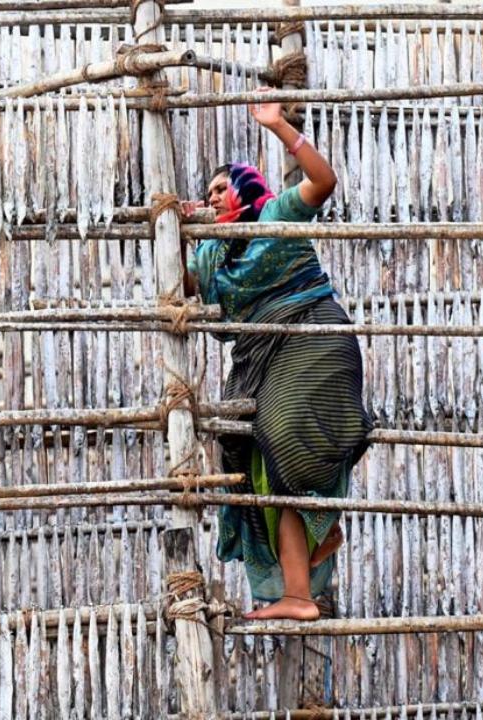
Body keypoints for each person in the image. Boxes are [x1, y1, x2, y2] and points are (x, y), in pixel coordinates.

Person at [180, 90, 372, 621]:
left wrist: (281, 128)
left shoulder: (276, 216)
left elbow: (324, 181)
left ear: (247, 187)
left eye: (223, 188)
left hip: (313, 340)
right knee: (257, 464)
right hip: (262, 359)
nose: (215, 197)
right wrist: (172, 226)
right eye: (209, 192)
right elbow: (183, 283)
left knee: (285, 439)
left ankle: (310, 557)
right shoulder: (213, 253)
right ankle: (299, 583)